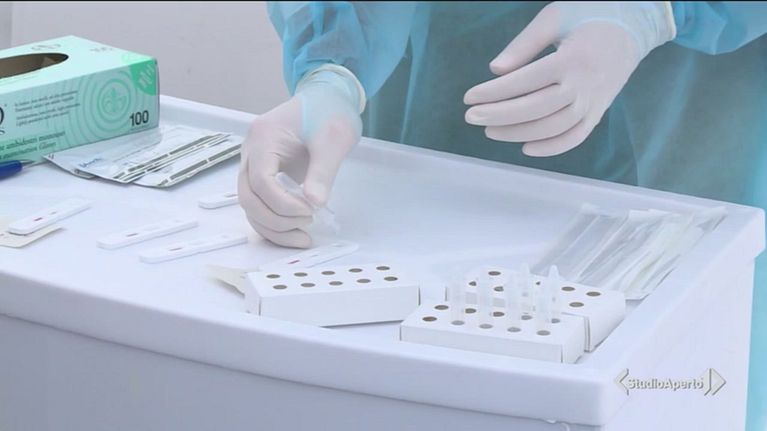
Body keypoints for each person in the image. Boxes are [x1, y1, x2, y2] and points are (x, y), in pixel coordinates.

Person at [237, 2, 767, 429]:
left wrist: (655, 9)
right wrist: (334, 70)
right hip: (455, 45)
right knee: (441, 364)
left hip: (696, 88)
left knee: (675, 359)